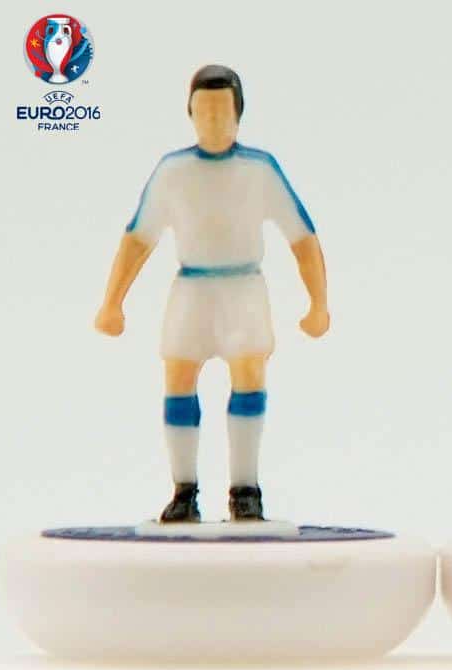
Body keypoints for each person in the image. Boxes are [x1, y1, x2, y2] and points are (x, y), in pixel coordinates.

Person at [95, 65, 330, 522]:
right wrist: (112, 303)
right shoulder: (173, 172)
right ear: (190, 114)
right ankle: (184, 491)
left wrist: (318, 303)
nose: (214, 121)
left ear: (238, 114)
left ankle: (246, 490)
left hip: (243, 289)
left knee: (249, 372)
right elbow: (137, 240)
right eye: (204, 112)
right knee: (179, 376)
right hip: (193, 289)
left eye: (222, 112)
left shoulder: (259, 170)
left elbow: (302, 238)